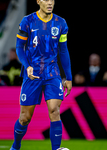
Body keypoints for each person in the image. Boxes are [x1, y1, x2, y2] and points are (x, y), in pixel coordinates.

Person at [10, 0, 72, 150]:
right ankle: (16, 145)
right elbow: (19, 47)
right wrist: (27, 66)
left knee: (54, 110)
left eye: (52, 0)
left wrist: (68, 77)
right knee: (25, 118)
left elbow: (63, 51)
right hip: (32, 74)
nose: (50, 3)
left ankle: (56, 148)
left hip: (52, 73)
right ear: (38, 1)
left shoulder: (61, 23)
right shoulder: (27, 21)